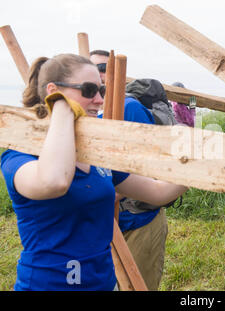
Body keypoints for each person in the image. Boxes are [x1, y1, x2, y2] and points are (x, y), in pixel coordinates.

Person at [0, 53, 187, 291]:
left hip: (102, 284)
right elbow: (55, 181)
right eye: (88, 90)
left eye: (101, 90)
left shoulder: (97, 155)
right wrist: (62, 109)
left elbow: (158, 192)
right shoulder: (20, 155)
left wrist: (205, 165)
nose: (99, 100)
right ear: (53, 91)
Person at [89, 50, 169, 290]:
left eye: (104, 68)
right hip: (103, 223)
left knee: (135, 285)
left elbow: (152, 164)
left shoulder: (129, 107)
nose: (99, 75)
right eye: (92, 70)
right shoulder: (87, 114)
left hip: (138, 219)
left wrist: (107, 193)